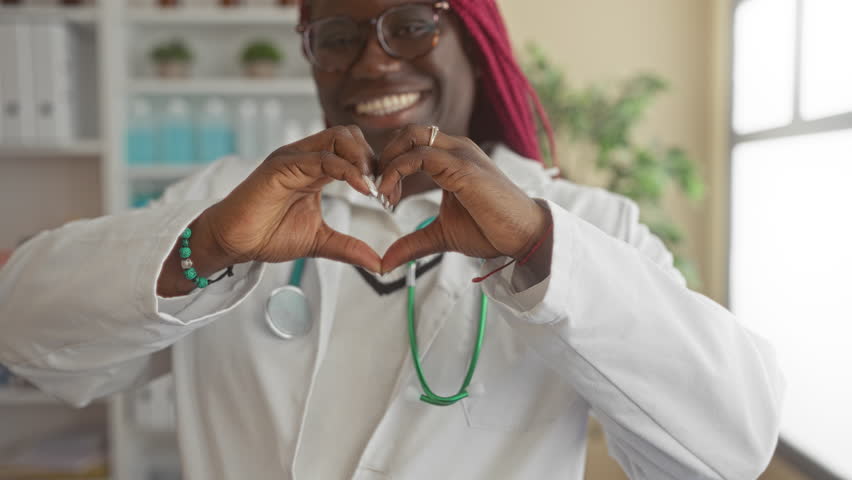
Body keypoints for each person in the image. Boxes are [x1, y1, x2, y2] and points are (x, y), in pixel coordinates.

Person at [0, 0, 784, 479]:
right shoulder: (218, 202)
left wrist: (542, 253)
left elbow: (730, 445)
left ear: (473, 38)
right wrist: (205, 249)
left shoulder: (585, 223)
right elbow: (25, 332)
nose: (373, 59)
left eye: (412, 24)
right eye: (336, 34)